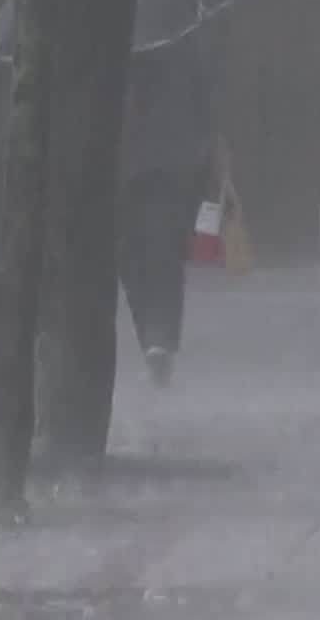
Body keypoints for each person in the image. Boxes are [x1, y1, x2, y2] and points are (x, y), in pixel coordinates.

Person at [117, 39, 217, 387]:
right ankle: (158, 338)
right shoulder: (181, 39)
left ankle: (155, 338)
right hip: (167, 162)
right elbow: (204, 101)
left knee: (142, 255)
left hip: (144, 165)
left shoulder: (115, 48)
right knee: (153, 255)